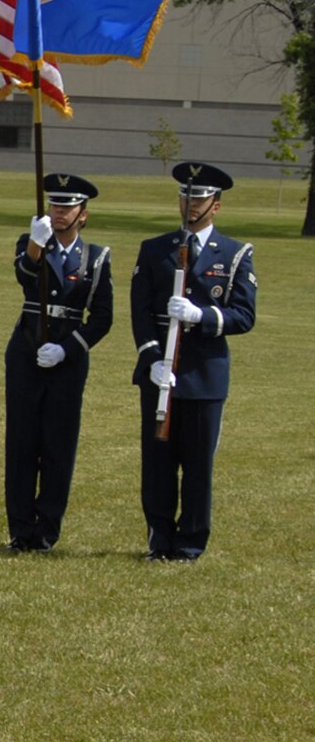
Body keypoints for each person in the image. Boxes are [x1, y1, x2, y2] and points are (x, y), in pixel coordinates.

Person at [130, 162, 256, 561]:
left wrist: (203, 316)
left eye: (200, 198)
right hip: (161, 373)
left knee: (198, 466)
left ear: (216, 206)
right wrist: (152, 358)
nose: (191, 204)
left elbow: (244, 315)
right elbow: (140, 311)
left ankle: (189, 543)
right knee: (158, 463)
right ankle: (159, 539)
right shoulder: (155, 249)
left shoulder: (235, 254)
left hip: (204, 374)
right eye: (186, 196)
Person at [4, 173, 112, 552]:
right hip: (26, 349)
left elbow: (102, 317)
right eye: (55, 205)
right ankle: (19, 528)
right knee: (21, 442)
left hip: (67, 357)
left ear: (83, 214)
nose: (59, 212)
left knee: (57, 444)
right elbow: (24, 276)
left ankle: (47, 529)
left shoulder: (95, 257)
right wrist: (35, 245)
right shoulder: (32, 243)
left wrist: (69, 348)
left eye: (68, 207)